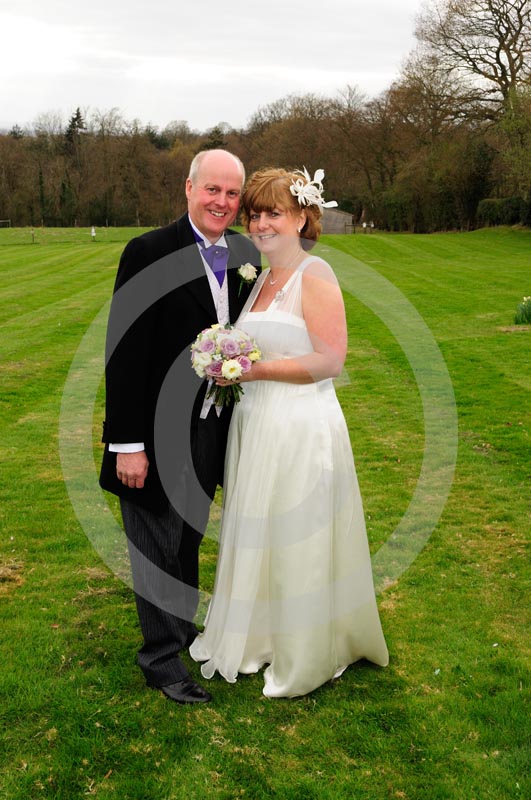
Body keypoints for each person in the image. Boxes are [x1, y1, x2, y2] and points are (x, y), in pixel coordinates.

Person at [190, 167, 389, 697]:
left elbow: (329, 360)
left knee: (298, 532)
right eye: (254, 214)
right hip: (256, 422)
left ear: (302, 217)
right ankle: (258, 636)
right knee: (261, 529)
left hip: (300, 423)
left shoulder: (315, 273)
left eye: (273, 213)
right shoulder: (259, 278)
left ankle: (305, 649)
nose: (260, 223)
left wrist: (252, 370)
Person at [99, 149, 260, 705]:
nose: (222, 202)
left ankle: (182, 632)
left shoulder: (245, 254)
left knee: (186, 539)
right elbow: (123, 351)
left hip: (214, 426)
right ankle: (161, 661)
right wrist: (127, 444)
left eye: (232, 193)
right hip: (153, 430)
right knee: (154, 547)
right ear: (189, 188)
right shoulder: (148, 251)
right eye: (212, 189)